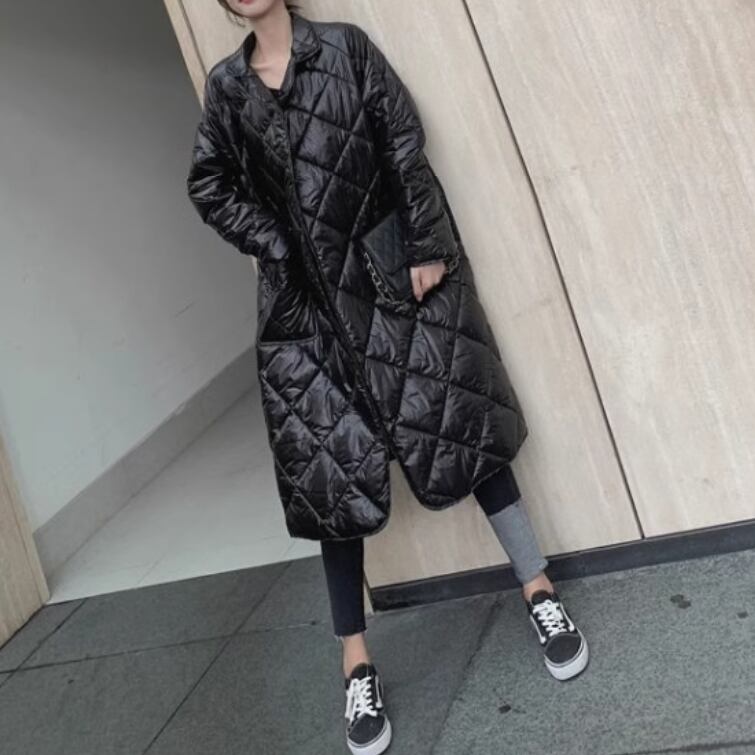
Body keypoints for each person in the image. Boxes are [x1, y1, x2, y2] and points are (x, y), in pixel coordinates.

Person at [187, 2, 589, 753]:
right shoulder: (228, 88)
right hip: (305, 311)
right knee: (329, 477)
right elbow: (208, 185)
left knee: (458, 423)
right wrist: (274, 243)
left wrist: (426, 244)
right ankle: (356, 663)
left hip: (388, 281)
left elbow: (402, 141)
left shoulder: (345, 49)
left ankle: (538, 589)